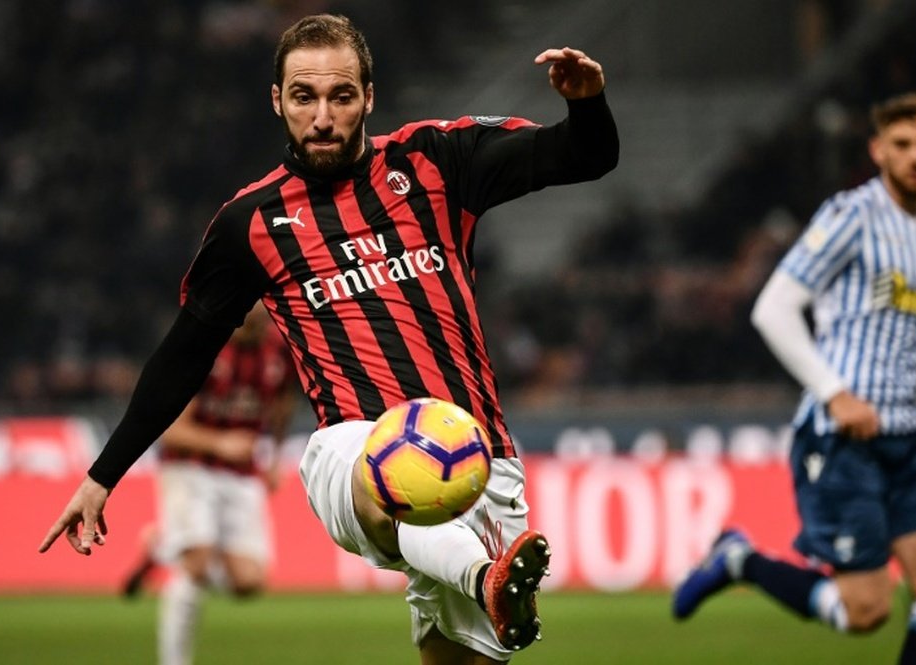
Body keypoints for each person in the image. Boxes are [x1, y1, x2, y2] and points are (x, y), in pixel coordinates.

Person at [39, 13, 619, 664]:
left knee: (456, 658)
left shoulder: (438, 160)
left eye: (341, 96)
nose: (322, 116)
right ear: (277, 100)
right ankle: (486, 576)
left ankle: (477, 573)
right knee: (379, 462)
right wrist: (102, 474)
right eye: (303, 97)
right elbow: (183, 356)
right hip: (349, 444)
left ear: (369, 97)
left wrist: (587, 103)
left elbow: (587, 155)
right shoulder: (248, 224)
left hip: (478, 456)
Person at [672, 92, 916, 664]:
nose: (914, 157)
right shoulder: (851, 216)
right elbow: (775, 307)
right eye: (901, 145)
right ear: (878, 150)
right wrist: (835, 394)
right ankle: (741, 562)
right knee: (866, 611)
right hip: (840, 440)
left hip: (907, 440)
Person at [117, 301, 297, 665]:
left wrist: (275, 457)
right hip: (190, 466)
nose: (262, 320)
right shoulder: (205, 352)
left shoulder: (277, 351)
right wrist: (221, 443)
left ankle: (164, 546)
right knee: (196, 566)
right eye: (255, 313)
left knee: (249, 582)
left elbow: (282, 404)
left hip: (241, 474)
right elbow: (170, 431)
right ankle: (174, 660)